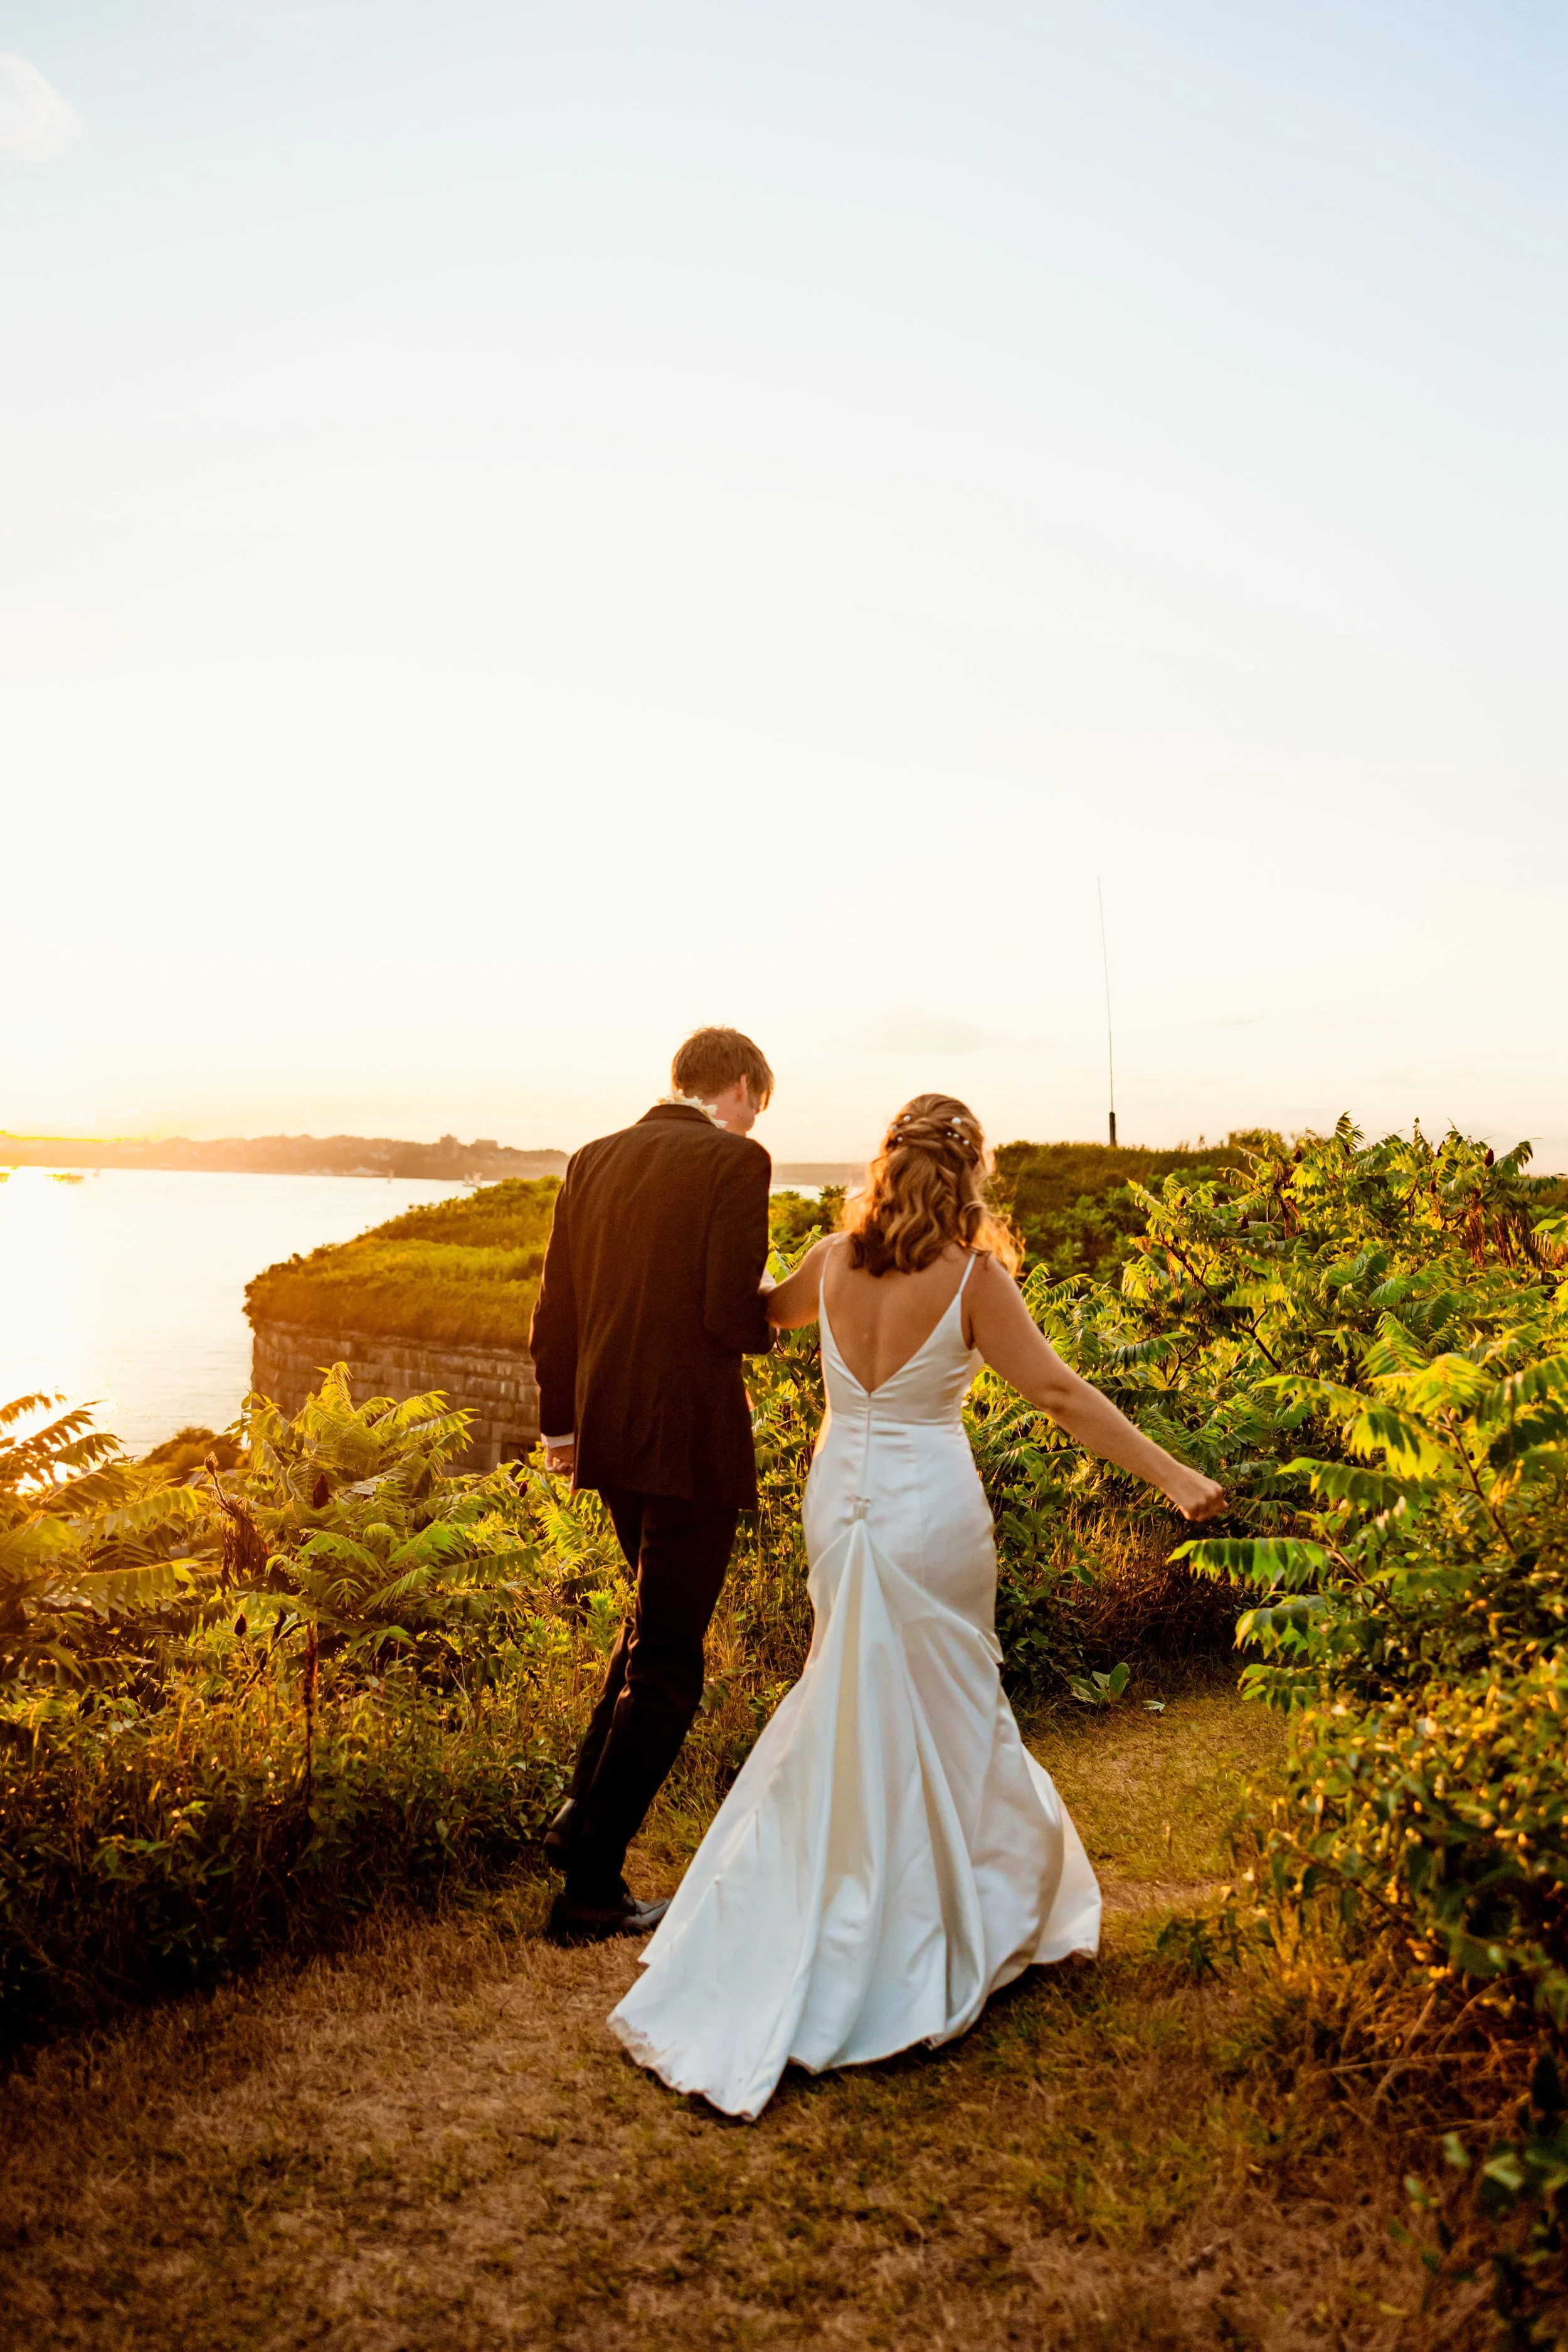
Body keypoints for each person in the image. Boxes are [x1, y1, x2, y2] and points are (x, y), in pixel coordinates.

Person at [609, 1093, 1226, 2118]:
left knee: (851, 1698)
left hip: (838, 1500)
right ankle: (942, 1918)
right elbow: (1062, 1395)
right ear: (971, 1173)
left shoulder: (832, 1261)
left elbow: (752, 1308)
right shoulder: (977, 1279)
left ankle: (850, 1909)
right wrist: (1172, 1475)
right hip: (928, 1510)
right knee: (947, 1702)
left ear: (884, 1163)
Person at [529, 1026, 776, 1941]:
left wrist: (560, 1424)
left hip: (609, 1442)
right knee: (671, 1667)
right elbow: (727, 1311)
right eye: (759, 1102)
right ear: (743, 1087)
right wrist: (777, 1323)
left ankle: (573, 1821)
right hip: (690, 1448)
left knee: (645, 1632)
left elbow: (554, 1307)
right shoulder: (736, 1161)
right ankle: (590, 1885)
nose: (755, 1119)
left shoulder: (592, 1159)